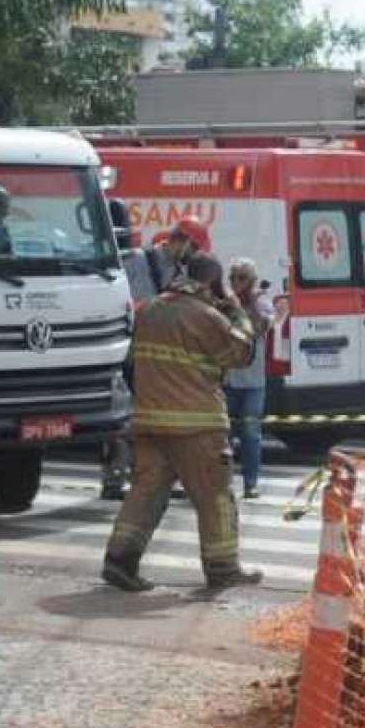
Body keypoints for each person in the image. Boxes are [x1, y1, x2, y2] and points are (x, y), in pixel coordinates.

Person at [100, 253, 262, 593]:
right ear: (213, 283)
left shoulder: (150, 309)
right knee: (215, 496)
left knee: (145, 493)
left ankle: (119, 561)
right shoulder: (204, 315)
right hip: (197, 425)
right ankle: (223, 568)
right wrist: (236, 312)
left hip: (148, 421)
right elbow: (240, 353)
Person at [101, 202, 167, 501]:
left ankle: (128, 476)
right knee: (122, 421)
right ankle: (120, 477)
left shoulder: (143, 260)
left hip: (132, 353)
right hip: (127, 353)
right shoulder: (103, 263)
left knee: (127, 420)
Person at [222, 259, 274, 500]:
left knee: (251, 434)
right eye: (232, 277)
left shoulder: (261, 302)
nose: (235, 283)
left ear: (251, 281)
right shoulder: (226, 301)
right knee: (223, 435)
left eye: (241, 278)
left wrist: (245, 306)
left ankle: (251, 483)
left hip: (252, 381)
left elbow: (261, 328)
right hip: (228, 379)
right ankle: (222, 484)